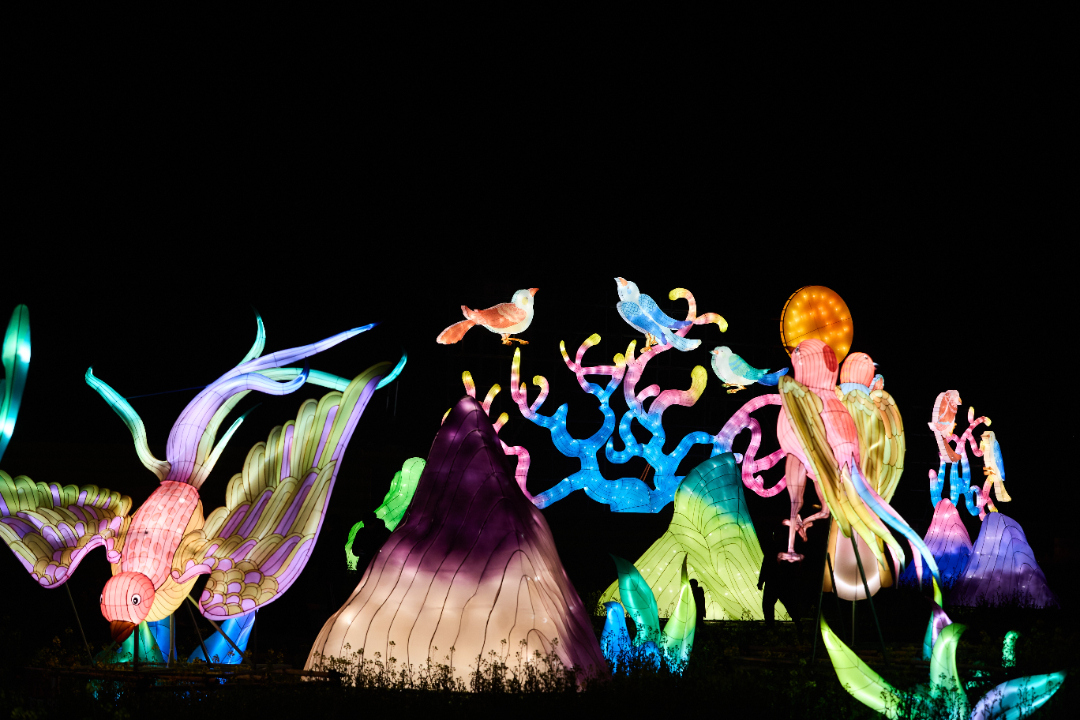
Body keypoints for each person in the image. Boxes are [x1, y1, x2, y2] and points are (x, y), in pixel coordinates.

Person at [758, 529, 804, 643]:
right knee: (783, 605)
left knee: (773, 605)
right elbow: (766, 565)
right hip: (780, 582)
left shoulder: (777, 548)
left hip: (777, 582)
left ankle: (773, 627)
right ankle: (797, 624)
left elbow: (766, 565)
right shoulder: (784, 548)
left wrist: (761, 581)